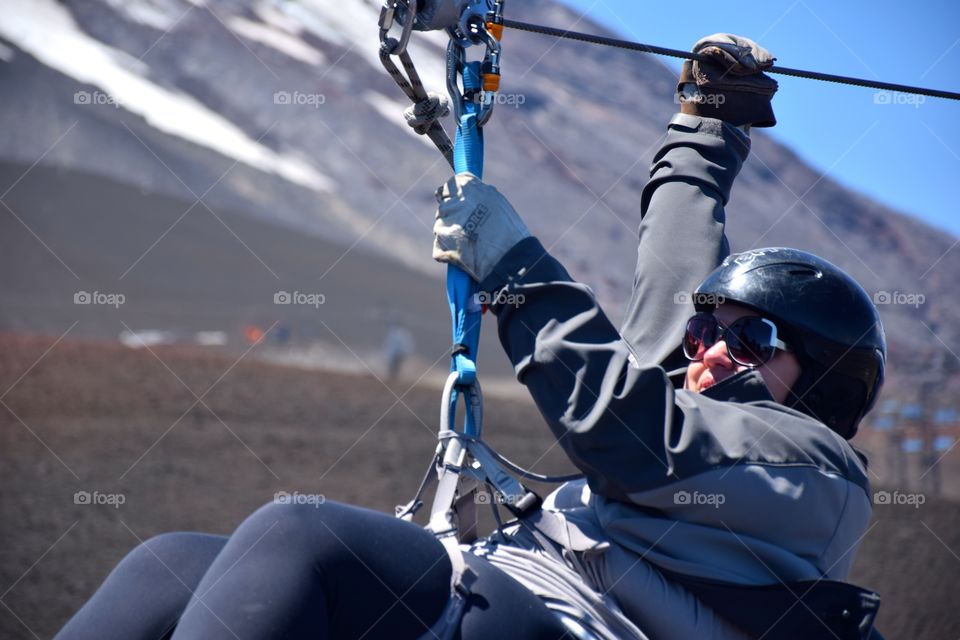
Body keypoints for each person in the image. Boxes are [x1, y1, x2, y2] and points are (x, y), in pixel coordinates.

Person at [55, 34, 885, 640]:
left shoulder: (813, 472)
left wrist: (517, 269)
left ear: (819, 379)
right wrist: (711, 122)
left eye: (750, 338)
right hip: (520, 580)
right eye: (709, 326)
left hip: (590, 621)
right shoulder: (699, 397)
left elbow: (634, 436)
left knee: (300, 534)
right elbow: (676, 266)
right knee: (167, 560)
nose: (705, 346)